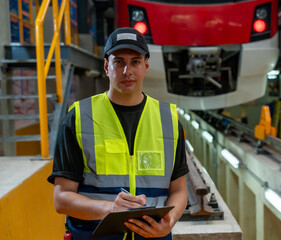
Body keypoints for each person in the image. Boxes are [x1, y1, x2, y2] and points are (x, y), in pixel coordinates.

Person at [47, 27, 189, 240]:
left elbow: (178, 190)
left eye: (135, 61)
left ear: (146, 66)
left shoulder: (168, 120)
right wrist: (109, 208)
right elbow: (62, 199)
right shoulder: (78, 117)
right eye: (119, 61)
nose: (127, 71)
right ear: (106, 66)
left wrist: (171, 221)